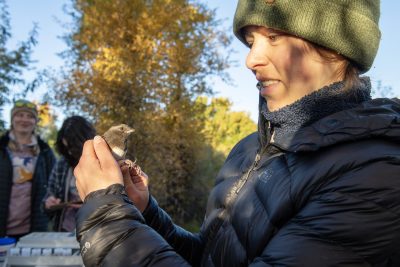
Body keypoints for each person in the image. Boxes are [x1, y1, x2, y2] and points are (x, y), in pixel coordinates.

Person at [74, 0, 400, 266]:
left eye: (274, 37)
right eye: (251, 41)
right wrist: (143, 213)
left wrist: (108, 218)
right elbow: (210, 259)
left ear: (337, 48)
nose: (251, 59)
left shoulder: (375, 174)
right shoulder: (250, 148)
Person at [0, 100, 56, 240]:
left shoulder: (45, 151)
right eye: (20, 115)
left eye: (30, 116)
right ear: (12, 119)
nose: (24, 119)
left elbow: (54, 186)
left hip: (33, 227)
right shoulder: (1, 148)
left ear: (35, 121)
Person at [43, 116, 96, 232]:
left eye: (72, 147)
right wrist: (49, 202)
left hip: (97, 233)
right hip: (65, 231)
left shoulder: (104, 162)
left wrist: (92, 207)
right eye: (66, 148)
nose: (70, 152)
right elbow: (49, 194)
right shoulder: (63, 163)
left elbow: (119, 203)